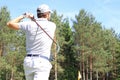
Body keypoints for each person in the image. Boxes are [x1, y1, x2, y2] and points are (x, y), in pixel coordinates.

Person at [7, 4, 56, 80]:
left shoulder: (28, 24)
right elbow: (39, 25)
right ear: (47, 14)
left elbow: (9, 24)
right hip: (42, 62)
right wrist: (33, 20)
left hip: (28, 62)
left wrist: (23, 16)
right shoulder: (52, 25)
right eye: (49, 13)